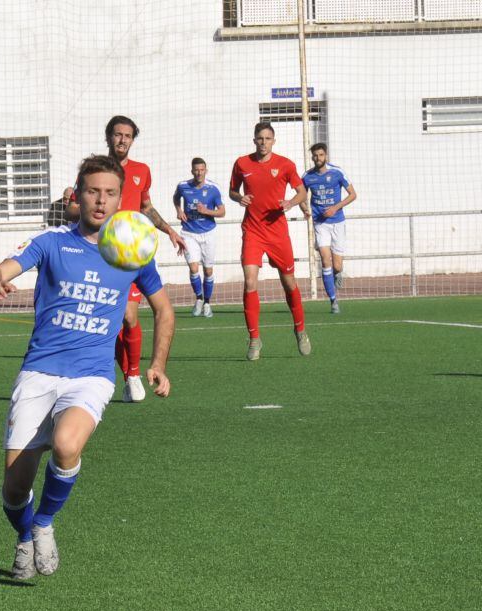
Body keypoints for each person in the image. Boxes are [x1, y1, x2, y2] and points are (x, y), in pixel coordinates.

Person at [0, 154, 176, 579]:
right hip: (38, 372)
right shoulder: (52, 242)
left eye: (109, 194)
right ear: (77, 194)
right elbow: (2, 269)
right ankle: (25, 534)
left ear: (121, 199)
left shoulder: (132, 252)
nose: (100, 201)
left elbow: (164, 310)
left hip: (91, 375)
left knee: (68, 445)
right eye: (92, 192)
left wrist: (157, 363)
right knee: (14, 489)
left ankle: (45, 522)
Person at [69, 116, 183, 403]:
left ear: (133, 140)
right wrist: (81, 210)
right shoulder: (96, 171)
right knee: (115, 317)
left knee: (130, 316)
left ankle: (132, 375)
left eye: (128, 136)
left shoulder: (142, 171)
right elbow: (73, 207)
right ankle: (125, 373)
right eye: (117, 134)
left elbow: (145, 207)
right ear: (108, 137)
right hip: (103, 251)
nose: (122, 140)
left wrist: (169, 230)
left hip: (135, 252)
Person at [229, 122, 310, 361]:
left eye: (267, 138)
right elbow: (232, 191)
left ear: (274, 141)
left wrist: (290, 203)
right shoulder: (242, 163)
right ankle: (254, 339)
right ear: (254, 140)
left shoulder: (285, 165)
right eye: (259, 138)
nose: (263, 142)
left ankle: (300, 330)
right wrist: (239, 198)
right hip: (253, 231)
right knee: (250, 282)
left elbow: (302, 191)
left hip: (277, 234)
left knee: (289, 283)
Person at [300, 143, 357, 314]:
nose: (318, 158)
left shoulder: (337, 172)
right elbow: (301, 195)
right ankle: (333, 301)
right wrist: (305, 208)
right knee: (325, 260)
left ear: (326, 156)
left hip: (338, 221)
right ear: (312, 158)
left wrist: (336, 207)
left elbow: (353, 194)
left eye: (321, 155)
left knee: (337, 265)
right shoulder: (307, 176)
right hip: (320, 223)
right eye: (315, 156)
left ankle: (338, 273)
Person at [173, 158, 225, 318]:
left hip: (208, 233)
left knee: (208, 270)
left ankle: (208, 303)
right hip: (189, 233)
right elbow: (176, 198)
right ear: (192, 171)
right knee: (193, 268)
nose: (199, 173)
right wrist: (179, 210)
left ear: (206, 170)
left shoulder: (213, 188)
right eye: (196, 170)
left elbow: (222, 212)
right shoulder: (183, 186)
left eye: (202, 170)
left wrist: (207, 211)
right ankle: (199, 299)